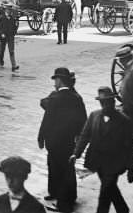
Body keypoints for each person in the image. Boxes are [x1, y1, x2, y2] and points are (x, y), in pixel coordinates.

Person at [71, 86, 133, 213]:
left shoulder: (124, 121)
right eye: (102, 102)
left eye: (108, 102)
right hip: (97, 161)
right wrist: (76, 154)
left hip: (115, 164)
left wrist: (131, 169)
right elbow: (85, 136)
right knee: (110, 189)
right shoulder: (94, 116)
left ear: (113, 102)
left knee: (105, 194)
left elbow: (129, 147)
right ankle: (123, 209)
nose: (105, 105)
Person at [38, 67, 86, 212]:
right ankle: (68, 196)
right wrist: (79, 136)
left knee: (56, 168)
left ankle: (62, 202)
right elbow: (83, 119)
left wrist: (41, 137)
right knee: (67, 168)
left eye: (55, 80)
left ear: (59, 80)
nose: (54, 83)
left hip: (54, 140)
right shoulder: (76, 97)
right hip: (69, 140)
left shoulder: (54, 98)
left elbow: (46, 120)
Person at [0, 5, 19, 71]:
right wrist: (2, 33)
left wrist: (14, 33)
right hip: (3, 36)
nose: (9, 12)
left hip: (11, 36)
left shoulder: (12, 18)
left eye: (10, 11)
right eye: (8, 10)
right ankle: (1, 61)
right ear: (6, 11)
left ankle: (13, 66)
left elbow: (15, 27)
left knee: (11, 51)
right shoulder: (1, 18)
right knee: (2, 50)